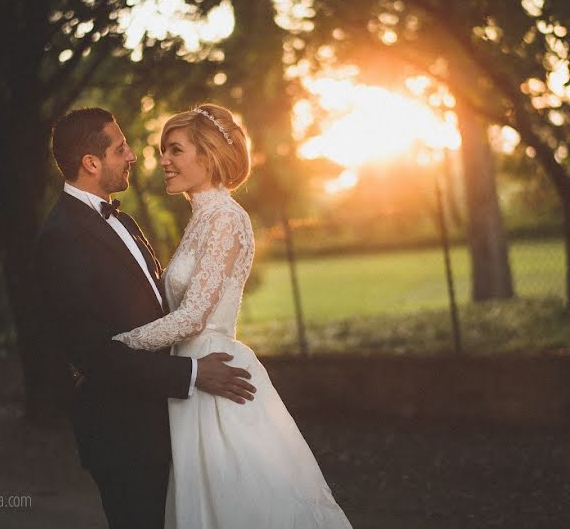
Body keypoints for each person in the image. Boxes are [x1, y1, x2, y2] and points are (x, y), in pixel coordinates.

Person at [111, 104, 352, 528]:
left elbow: (192, 318)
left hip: (214, 373)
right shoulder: (203, 219)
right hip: (189, 373)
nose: (163, 161)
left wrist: (119, 345)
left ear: (207, 156)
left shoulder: (224, 219)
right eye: (162, 150)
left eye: (175, 150)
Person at [33, 107, 256, 529]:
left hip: (170, 417)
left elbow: (166, 311)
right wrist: (191, 373)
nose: (134, 156)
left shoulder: (127, 222)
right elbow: (91, 353)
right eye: (121, 149)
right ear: (92, 163)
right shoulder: (61, 237)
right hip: (123, 434)